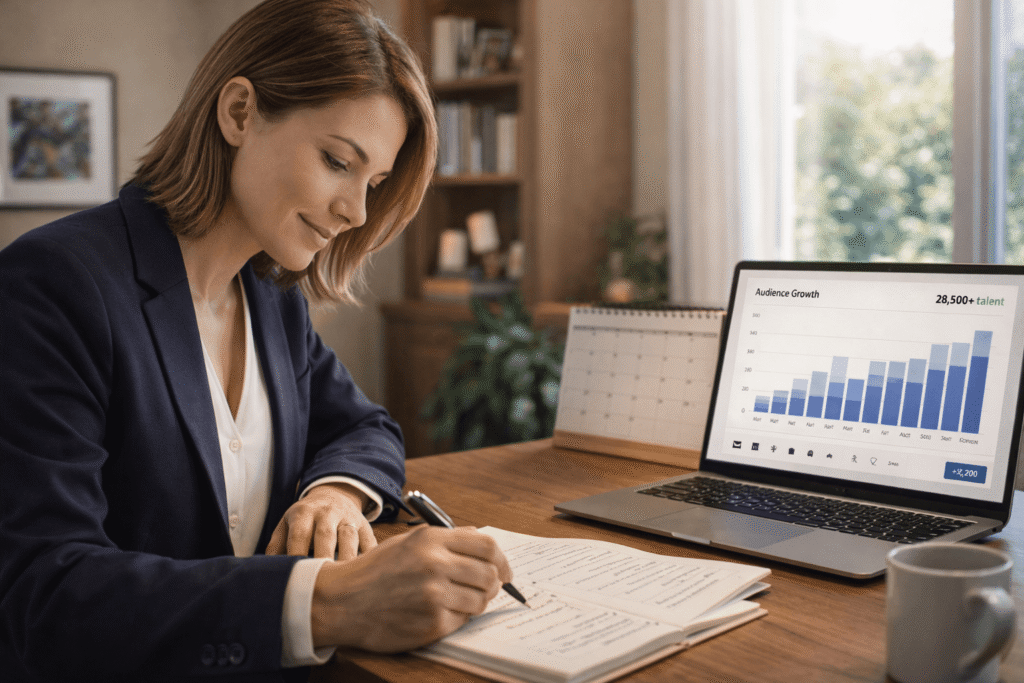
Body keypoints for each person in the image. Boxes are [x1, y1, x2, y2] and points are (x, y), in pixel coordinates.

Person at [0, 1, 513, 681]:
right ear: (239, 112)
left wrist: (334, 494)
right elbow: (45, 598)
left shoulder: (272, 298)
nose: (356, 211)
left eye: (375, 183)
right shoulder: (54, 283)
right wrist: (323, 602)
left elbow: (366, 427)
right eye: (338, 160)